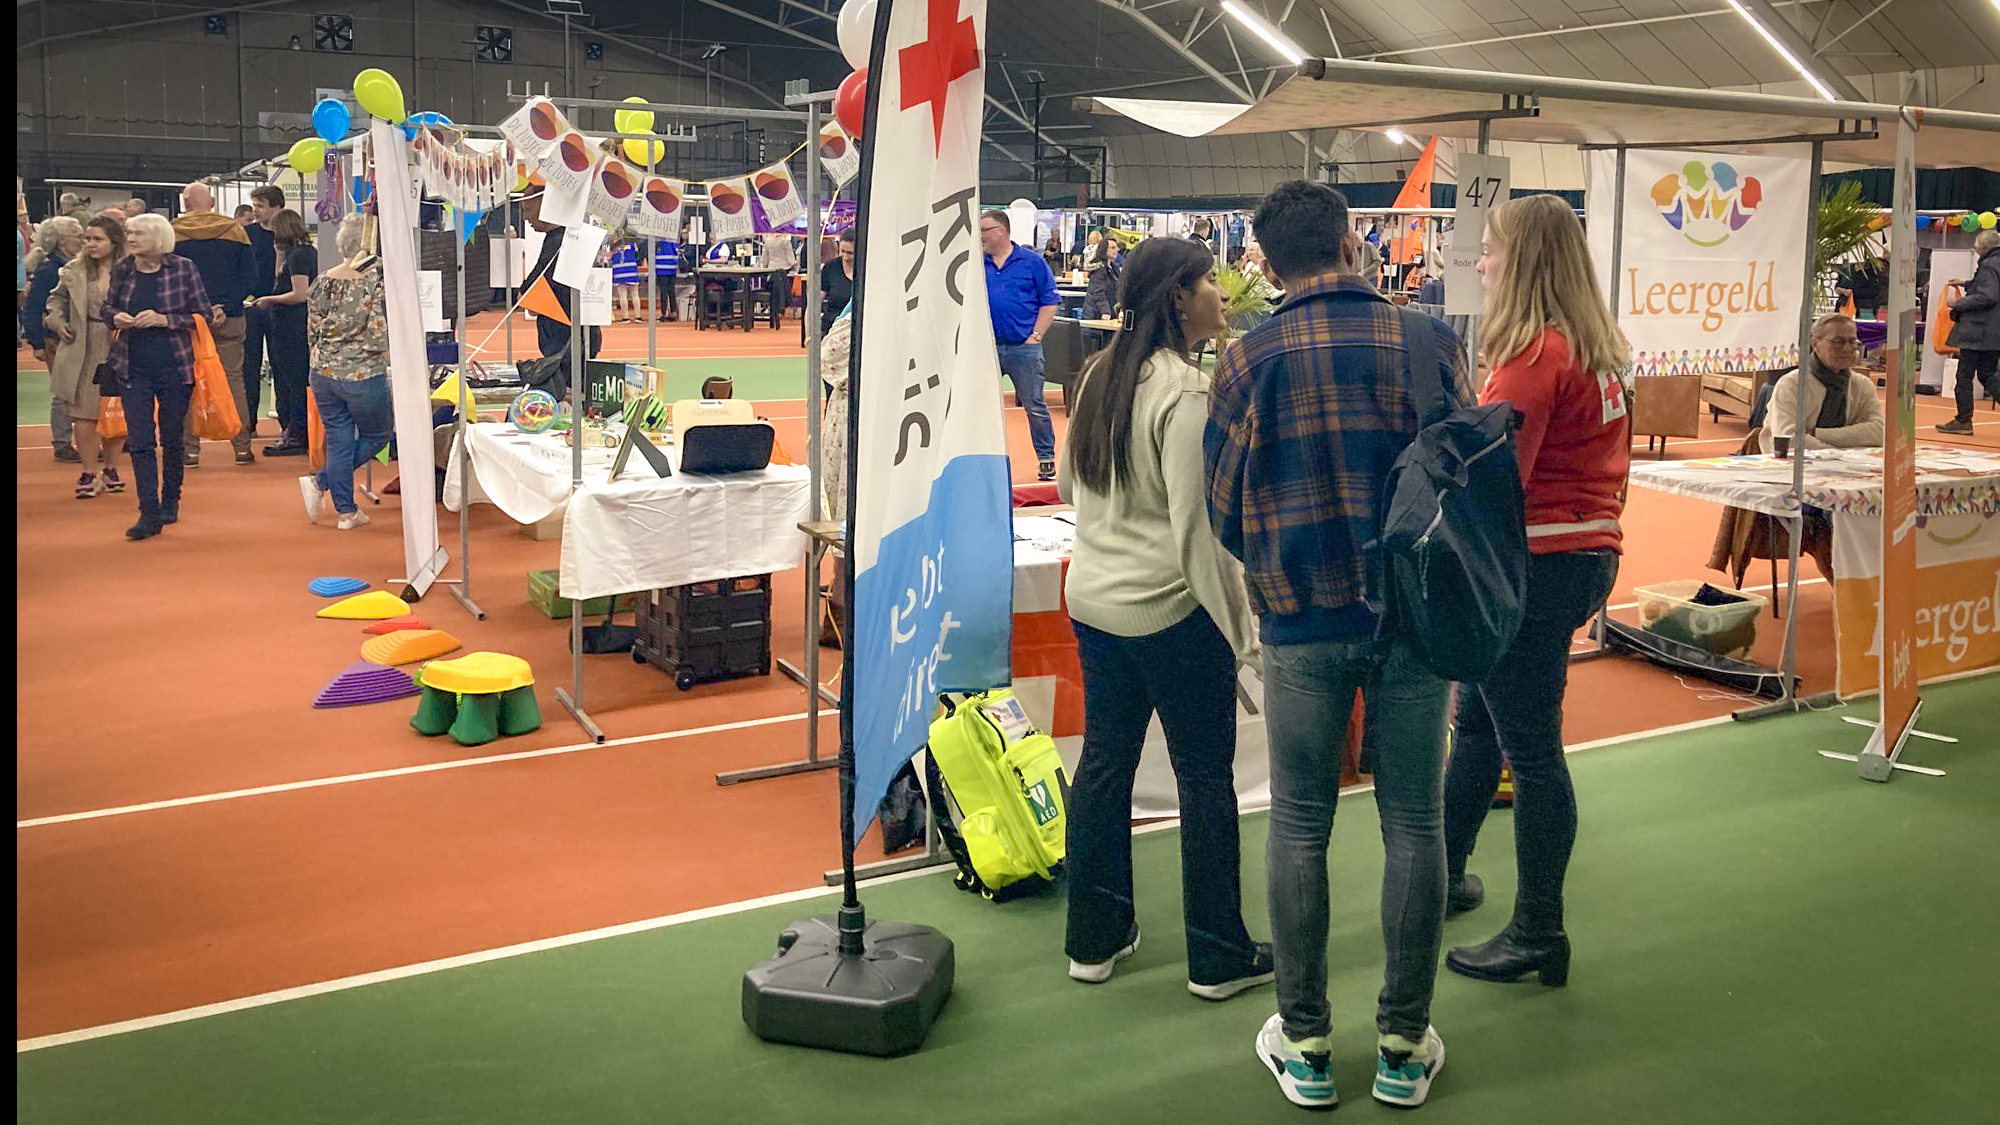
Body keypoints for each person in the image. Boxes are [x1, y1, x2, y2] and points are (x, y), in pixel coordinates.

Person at [1205, 181, 1464, 1111]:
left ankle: (1306, 1042)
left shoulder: (1247, 360)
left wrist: (1283, 566)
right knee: (1416, 822)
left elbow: (1223, 512)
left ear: (1266, 265)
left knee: (1299, 822)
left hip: (1300, 619)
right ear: (1355, 243)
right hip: (1417, 618)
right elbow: (1465, 483)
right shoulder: (1432, 344)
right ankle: (1403, 1040)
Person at [1058, 236, 1272, 1000]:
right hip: (1170, 614)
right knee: (1204, 776)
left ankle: (1094, 936)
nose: (1223, 291)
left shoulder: (1098, 377)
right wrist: (1243, 632)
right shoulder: (1183, 393)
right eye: (1211, 279)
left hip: (1095, 604)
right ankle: (1217, 954)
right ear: (1179, 297)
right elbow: (1199, 528)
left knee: (1105, 763)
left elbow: (1068, 489)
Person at [1440, 194, 1633, 993]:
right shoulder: (1598, 348)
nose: (1479, 262)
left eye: (1488, 249)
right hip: (1583, 554)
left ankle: (1539, 927)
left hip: (1533, 565)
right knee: (1483, 724)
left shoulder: (1532, 354)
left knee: (1527, 746)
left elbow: (1493, 485)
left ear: (1518, 259)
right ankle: (1447, 875)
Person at [102, 213, 211, 540]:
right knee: (140, 440)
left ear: (158, 238)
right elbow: (106, 308)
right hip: (131, 363)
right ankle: (148, 511)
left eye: (137, 234)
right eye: (129, 233)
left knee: (172, 437)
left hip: (174, 365)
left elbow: (203, 315)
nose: (131, 239)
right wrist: (115, 317)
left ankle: (171, 500)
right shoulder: (122, 268)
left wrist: (165, 320)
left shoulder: (184, 268)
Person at [299, 215, 391, 531]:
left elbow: (312, 328)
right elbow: (379, 336)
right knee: (378, 435)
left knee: (339, 439)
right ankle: (325, 486)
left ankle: (346, 511)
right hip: (362, 373)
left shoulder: (322, 280)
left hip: (323, 371)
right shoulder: (374, 282)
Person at [172, 181, 258, 466]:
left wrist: (197, 310)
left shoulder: (172, 233)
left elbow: (169, 282)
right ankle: (242, 448)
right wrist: (225, 306)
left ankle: (190, 450)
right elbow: (250, 277)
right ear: (210, 201)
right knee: (234, 380)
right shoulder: (235, 231)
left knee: (187, 383)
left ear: (186, 204)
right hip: (230, 317)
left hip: (187, 321)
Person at [44, 216, 129, 498]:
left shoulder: (132, 268)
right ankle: (89, 471)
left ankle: (112, 468)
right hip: (84, 344)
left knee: (116, 411)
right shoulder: (73, 269)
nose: (90, 244)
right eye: (87, 238)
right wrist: (57, 322)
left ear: (114, 242)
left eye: (97, 239)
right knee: (84, 412)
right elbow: (55, 301)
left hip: (121, 344)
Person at [980, 209, 1060, 481]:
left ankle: (1046, 458)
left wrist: (1035, 336)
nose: (980, 237)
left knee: (1035, 406)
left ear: (1001, 231)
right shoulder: (976, 263)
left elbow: (1049, 302)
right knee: (979, 407)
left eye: (984, 231)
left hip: (1024, 348)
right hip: (986, 349)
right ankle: (982, 463)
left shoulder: (1032, 262)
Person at [1759, 314, 1884, 454]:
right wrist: (1839, 453)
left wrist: (1817, 434)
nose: (1847, 349)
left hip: (1846, 467)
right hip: (1787, 469)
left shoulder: (1862, 385)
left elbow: (1879, 432)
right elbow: (1790, 441)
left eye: (1853, 341)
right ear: (1815, 344)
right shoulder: (1792, 385)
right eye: (1838, 341)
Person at [254, 208, 316, 455]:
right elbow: (279, 278)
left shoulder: (300, 256)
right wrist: (279, 256)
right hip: (288, 324)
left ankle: (298, 433)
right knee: (291, 380)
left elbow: (300, 294)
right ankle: (295, 430)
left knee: (295, 381)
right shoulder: (296, 253)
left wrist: (269, 299)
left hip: (293, 325)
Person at [521, 189, 602, 361]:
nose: (525, 218)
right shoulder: (556, 238)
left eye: (527, 209)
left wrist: (526, 293)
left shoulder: (562, 242)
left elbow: (529, 293)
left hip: (569, 344)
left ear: (546, 205)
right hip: (569, 341)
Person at [1938, 228, 2000, 436]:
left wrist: (1959, 303)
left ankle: (1964, 420)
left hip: (1978, 330)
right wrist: (1966, 283)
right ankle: (1963, 420)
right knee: (1987, 375)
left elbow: (1988, 295)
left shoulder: (1989, 264)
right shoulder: (1996, 262)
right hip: (1993, 330)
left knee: (1964, 376)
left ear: (1982, 247)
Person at [243, 184, 285, 433]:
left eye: (260, 206)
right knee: (249, 365)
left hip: (281, 306)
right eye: (254, 205)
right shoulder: (246, 233)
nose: (255, 211)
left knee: (281, 365)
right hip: (253, 305)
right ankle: (249, 423)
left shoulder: (287, 235)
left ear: (276, 207)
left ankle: (287, 423)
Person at [820, 230, 855, 337]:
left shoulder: (868, 269)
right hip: (831, 331)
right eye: (842, 251)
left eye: (850, 253)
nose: (845, 256)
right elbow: (814, 304)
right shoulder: (830, 268)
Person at [609, 235, 640, 322]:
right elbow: (637, 256)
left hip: (619, 273)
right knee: (635, 295)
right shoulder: (633, 245)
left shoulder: (613, 248)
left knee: (623, 296)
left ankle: (625, 317)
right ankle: (638, 316)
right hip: (631, 272)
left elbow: (609, 258)